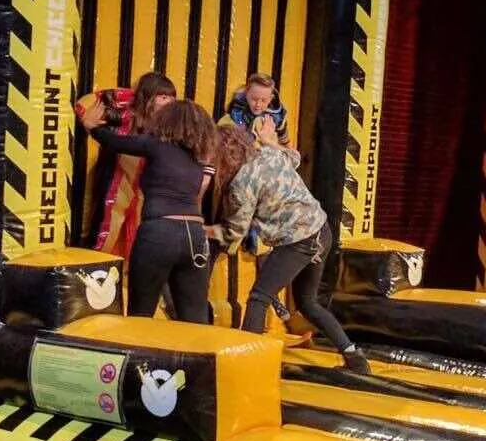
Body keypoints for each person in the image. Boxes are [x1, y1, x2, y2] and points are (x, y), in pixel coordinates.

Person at [209, 124, 368, 374]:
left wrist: (205, 230)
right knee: (307, 302)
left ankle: (249, 363)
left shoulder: (241, 183)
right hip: (321, 230)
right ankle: (354, 356)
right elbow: (294, 157)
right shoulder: (267, 154)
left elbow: (235, 233)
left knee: (259, 297)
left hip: (299, 240)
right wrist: (269, 141)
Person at [80, 97, 217, 321]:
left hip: (160, 231)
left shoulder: (157, 145)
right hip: (195, 236)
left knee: (141, 314)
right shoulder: (197, 158)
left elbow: (117, 143)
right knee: (194, 318)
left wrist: (92, 127)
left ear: (167, 121)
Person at [76, 71, 178, 252]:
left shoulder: (168, 126)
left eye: (172, 98)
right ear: (148, 97)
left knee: (136, 244)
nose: (169, 103)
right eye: (163, 97)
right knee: (105, 238)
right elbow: (83, 104)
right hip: (117, 185)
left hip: (141, 193)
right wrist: (91, 123)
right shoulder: (129, 113)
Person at [227, 73, 290, 146]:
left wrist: (269, 142)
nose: (258, 104)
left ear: (271, 98)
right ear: (246, 93)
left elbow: (285, 145)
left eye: (263, 100)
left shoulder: (279, 117)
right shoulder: (231, 117)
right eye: (254, 99)